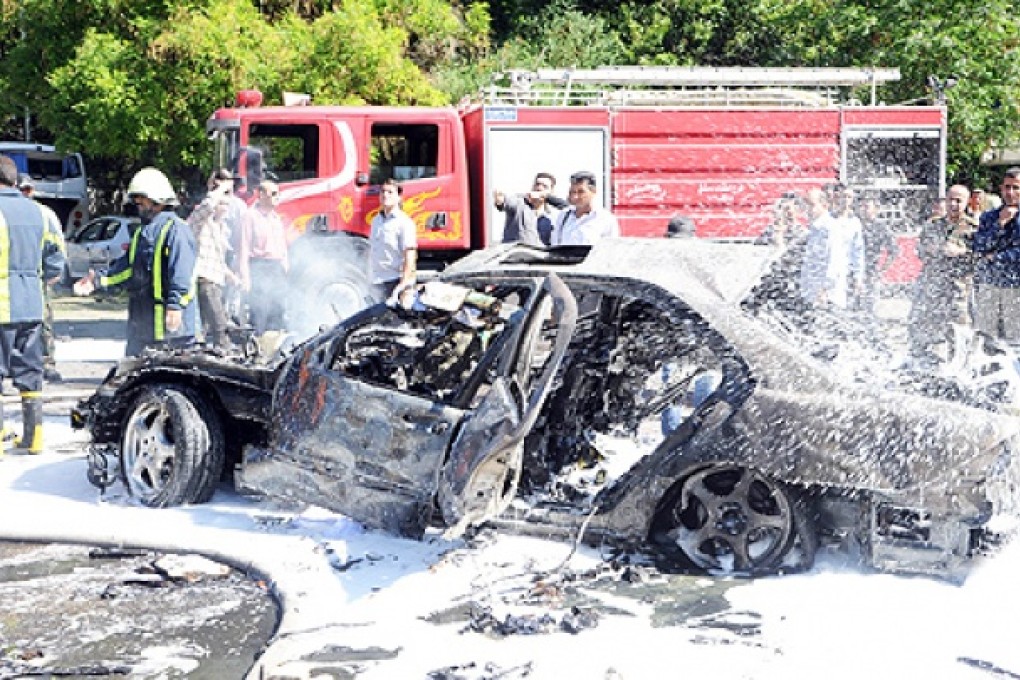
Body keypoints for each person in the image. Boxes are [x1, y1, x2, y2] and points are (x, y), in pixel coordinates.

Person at [74, 167, 198, 357]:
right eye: (136, 199)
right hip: (142, 329)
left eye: (141, 199)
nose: (137, 203)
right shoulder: (142, 232)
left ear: (158, 200)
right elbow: (127, 270)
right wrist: (96, 280)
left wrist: (175, 306)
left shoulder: (176, 230)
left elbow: (184, 274)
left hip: (173, 334)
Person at [0, 156, 66, 454]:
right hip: (32, 307)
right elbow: (55, 260)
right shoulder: (40, 213)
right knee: (31, 371)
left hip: (1, 306)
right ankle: (34, 436)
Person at [908, 184, 976, 360]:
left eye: (958, 201)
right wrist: (933, 250)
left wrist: (962, 252)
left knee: (959, 329)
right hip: (932, 285)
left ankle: (959, 365)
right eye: (950, 200)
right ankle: (923, 361)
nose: (953, 204)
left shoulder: (974, 228)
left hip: (958, 289)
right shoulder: (933, 225)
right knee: (923, 324)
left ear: (967, 203)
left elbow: (980, 257)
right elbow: (921, 251)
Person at [18, 174, 66, 382]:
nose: (25, 194)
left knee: (42, 322)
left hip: (37, 277)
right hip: (10, 276)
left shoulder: (44, 214)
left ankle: (47, 363)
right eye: (22, 190)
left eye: (28, 190)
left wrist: (54, 270)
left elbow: (56, 244)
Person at [189, 170, 240, 349]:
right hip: (204, 280)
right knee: (220, 327)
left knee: (204, 329)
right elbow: (207, 205)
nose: (226, 206)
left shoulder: (222, 228)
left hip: (217, 281)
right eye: (223, 203)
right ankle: (224, 351)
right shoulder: (200, 220)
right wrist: (219, 188)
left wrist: (230, 275)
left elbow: (218, 259)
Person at [972, 167, 1020, 346]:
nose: (1010, 192)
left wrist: (996, 257)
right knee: (985, 337)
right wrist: (1000, 223)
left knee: (1015, 340)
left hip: (1016, 287)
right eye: (1007, 187)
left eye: (1016, 188)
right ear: (1001, 189)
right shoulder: (990, 217)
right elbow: (980, 246)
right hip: (990, 283)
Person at [238, 180, 289, 334]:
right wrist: (245, 276)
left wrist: (285, 265)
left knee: (278, 308)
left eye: (277, 193)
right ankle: (259, 345)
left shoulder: (276, 218)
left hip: (276, 267)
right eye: (273, 193)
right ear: (261, 195)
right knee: (260, 310)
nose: (277, 197)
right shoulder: (250, 216)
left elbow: (282, 244)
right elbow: (243, 247)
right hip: (259, 266)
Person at [369, 178, 418, 303]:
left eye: (390, 192)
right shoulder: (376, 221)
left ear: (399, 197)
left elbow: (410, 255)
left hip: (395, 281)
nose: (385, 195)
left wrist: (404, 285)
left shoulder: (404, 222)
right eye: (383, 192)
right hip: (377, 281)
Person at [551, 171, 620, 245]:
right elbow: (555, 245)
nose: (575, 197)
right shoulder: (563, 216)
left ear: (593, 192)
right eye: (573, 192)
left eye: (581, 192)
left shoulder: (605, 219)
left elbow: (611, 249)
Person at [857, 196, 899, 313]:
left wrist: (881, 271)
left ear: (876, 209)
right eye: (861, 206)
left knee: (869, 309)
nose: (863, 210)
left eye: (867, 207)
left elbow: (894, 250)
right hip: (853, 273)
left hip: (870, 274)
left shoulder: (880, 227)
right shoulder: (854, 224)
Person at [494, 172, 560, 246]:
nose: (539, 188)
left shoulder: (552, 217)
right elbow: (505, 202)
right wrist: (500, 200)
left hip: (537, 256)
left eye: (544, 186)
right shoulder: (519, 202)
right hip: (515, 254)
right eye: (537, 184)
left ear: (551, 192)